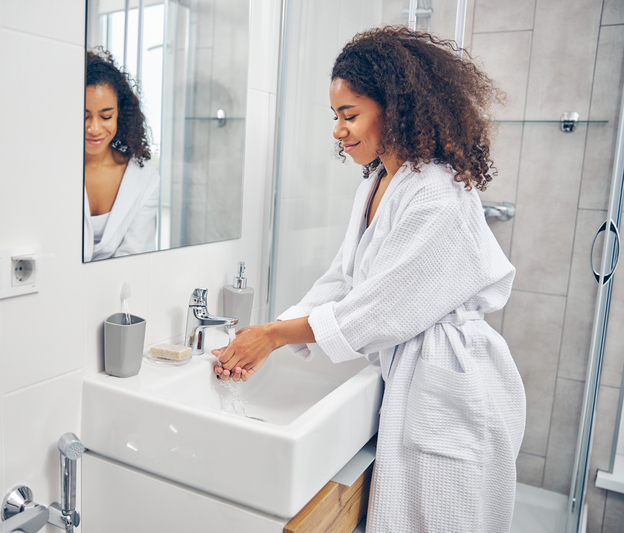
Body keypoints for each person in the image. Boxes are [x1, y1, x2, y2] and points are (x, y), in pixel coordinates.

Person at [213, 27, 526, 532]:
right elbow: (343, 281)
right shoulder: (379, 183)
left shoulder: (439, 194)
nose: (338, 130)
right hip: (414, 377)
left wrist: (272, 336)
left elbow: (380, 309)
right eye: (335, 116)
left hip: (453, 385)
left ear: (397, 109)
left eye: (350, 115)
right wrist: (270, 333)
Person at [83, 48, 159, 262]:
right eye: (84, 116)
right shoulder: (53, 170)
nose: (94, 128)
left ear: (120, 115)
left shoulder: (143, 178)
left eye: (106, 116)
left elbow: (136, 256)